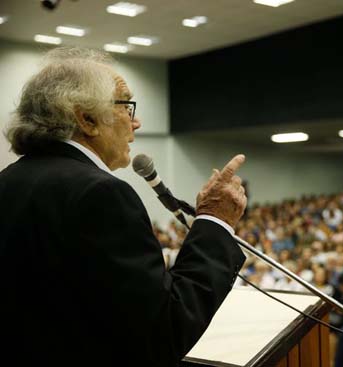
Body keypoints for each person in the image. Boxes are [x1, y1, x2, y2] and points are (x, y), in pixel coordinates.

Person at [0, 47, 247, 367]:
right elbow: (162, 334)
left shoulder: (7, 181)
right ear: (86, 119)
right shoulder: (100, 194)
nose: (137, 122)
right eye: (126, 106)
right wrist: (215, 220)